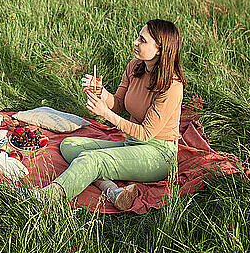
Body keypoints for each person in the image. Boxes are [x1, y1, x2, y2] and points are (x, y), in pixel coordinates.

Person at [35, 19, 186, 210]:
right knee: (70, 145)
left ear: (159, 49)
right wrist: (101, 92)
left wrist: (105, 113)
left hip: (158, 155)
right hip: (131, 143)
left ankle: (49, 196)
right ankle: (111, 190)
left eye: (142, 40)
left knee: (92, 159)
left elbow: (146, 134)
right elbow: (119, 104)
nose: (135, 42)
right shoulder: (135, 67)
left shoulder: (172, 86)